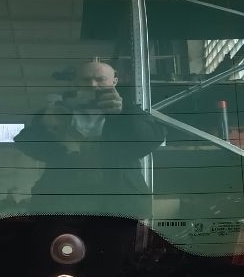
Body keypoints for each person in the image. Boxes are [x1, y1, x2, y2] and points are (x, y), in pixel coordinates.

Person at [12, 59, 164, 218]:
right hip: (64, 204)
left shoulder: (128, 112)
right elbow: (28, 145)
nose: (92, 85)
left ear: (114, 81)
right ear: (76, 83)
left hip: (118, 205)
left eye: (100, 79)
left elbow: (150, 141)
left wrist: (122, 114)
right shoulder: (57, 111)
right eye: (85, 80)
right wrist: (46, 125)